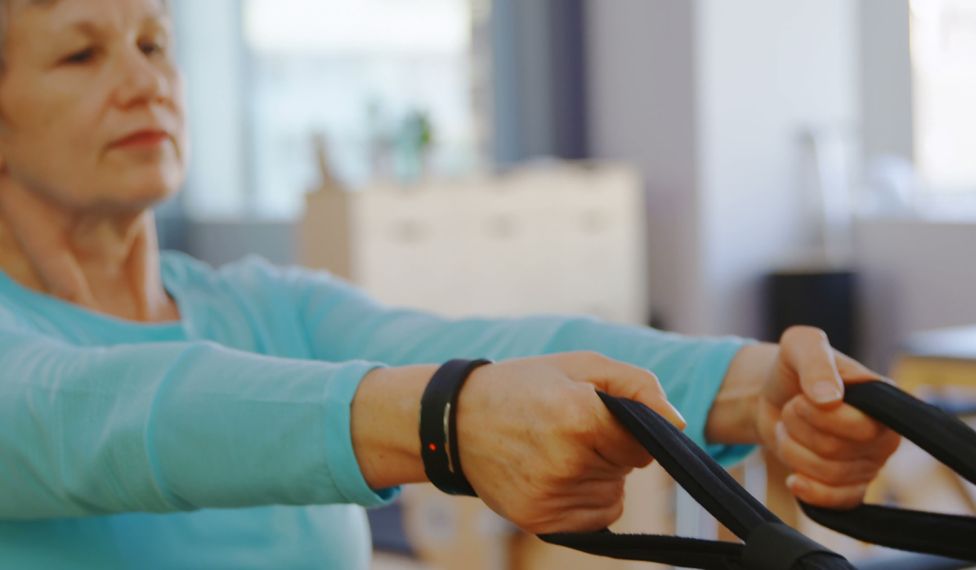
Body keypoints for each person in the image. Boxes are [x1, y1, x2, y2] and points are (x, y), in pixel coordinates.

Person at [0, 0, 901, 568]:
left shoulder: (266, 304)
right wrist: (449, 422)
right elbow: (114, 411)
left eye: (155, 43)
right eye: (81, 56)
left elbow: (477, 347)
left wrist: (755, 387)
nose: (143, 81)